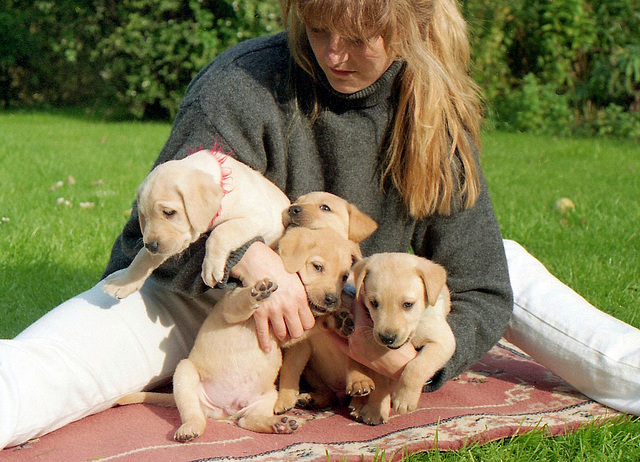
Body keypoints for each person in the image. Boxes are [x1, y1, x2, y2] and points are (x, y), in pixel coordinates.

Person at [1, 0, 638, 450]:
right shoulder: (241, 86)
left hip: (372, 294)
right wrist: (250, 257)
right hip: (219, 304)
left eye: (360, 38)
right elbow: (152, 243)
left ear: (409, 23)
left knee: (509, 263)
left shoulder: (434, 108)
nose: (334, 53)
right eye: (318, 27)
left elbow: (481, 283)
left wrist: (412, 357)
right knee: (62, 357)